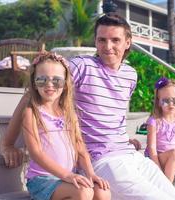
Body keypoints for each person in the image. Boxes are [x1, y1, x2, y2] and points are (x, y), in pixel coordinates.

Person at [2, 13, 175, 199]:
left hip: (131, 155)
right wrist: (7, 143)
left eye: (115, 40)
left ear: (128, 42)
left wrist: (122, 138)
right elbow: (33, 94)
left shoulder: (131, 74)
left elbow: (115, 113)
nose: (108, 46)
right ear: (95, 41)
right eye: (102, 40)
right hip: (102, 159)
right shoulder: (82, 66)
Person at [20, 52, 111, 200]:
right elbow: (36, 153)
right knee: (83, 192)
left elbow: (80, 147)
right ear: (34, 83)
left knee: (102, 191)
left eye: (56, 80)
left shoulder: (69, 113)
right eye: (42, 79)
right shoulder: (32, 112)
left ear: (65, 83)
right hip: (42, 180)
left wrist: (90, 173)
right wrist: (67, 175)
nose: (49, 84)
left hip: (67, 176)